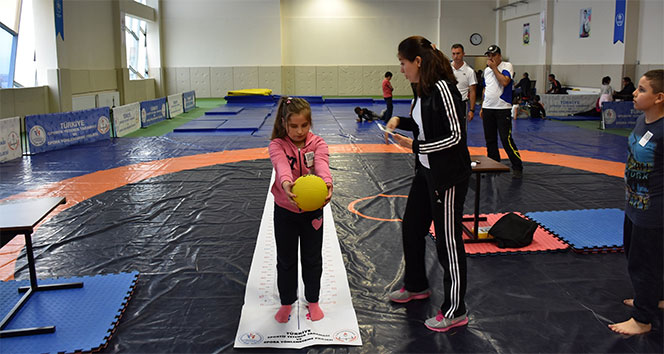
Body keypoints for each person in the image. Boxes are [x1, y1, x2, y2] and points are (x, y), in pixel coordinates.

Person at [384, 35, 471, 333]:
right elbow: (424, 125)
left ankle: (456, 309)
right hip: (425, 174)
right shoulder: (419, 90)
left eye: (403, 63)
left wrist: (416, 147)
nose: (402, 69)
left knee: (448, 243)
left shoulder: (444, 89)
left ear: (418, 62)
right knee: (411, 227)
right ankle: (417, 285)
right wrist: (398, 120)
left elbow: (456, 136)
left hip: (447, 177)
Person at [268, 96, 334, 323]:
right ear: (284, 123)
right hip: (285, 211)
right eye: (293, 126)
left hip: (312, 212)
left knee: (312, 258)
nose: (299, 131)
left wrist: (327, 183)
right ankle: (287, 301)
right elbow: (281, 165)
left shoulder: (318, 144)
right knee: (285, 259)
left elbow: (322, 164)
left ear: (310, 123)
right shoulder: (277, 144)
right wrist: (286, 184)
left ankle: (313, 300)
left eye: (304, 125)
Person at [609, 70, 664, 335]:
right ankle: (654, 298)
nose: (634, 93)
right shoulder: (644, 120)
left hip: (653, 210)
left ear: (659, 97)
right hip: (634, 203)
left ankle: (642, 319)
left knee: (644, 263)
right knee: (635, 256)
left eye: (642, 90)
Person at [480, 45, 524, 178]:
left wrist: (494, 68)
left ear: (499, 55)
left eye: (493, 55)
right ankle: (493, 164)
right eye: (488, 55)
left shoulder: (507, 66)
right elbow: (485, 89)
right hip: (488, 107)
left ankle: (517, 166)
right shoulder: (486, 71)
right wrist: (482, 106)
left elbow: (505, 82)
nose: (490, 58)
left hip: (502, 108)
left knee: (506, 139)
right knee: (490, 139)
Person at [450, 44, 477, 123]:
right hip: (448, 103)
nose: (455, 56)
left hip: (461, 104)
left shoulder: (470, 71)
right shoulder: (447, 69)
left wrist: (472, 110)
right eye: (453, 54)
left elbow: (472, 91)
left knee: (461, 129)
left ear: (463, 54)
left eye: (458, 53)